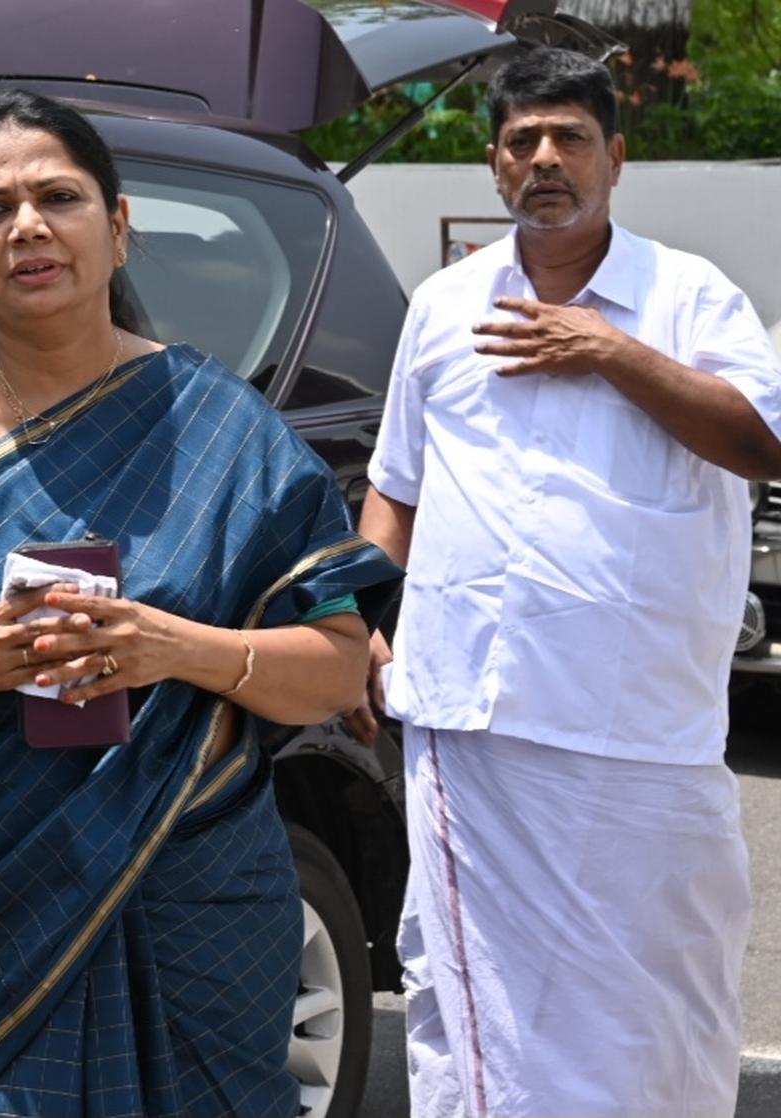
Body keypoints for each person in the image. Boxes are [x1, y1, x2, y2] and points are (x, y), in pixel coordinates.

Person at [0, 90, 400, 1118]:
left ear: (119, 224)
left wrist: (172, 645)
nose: (28, 226)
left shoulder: (226, 426)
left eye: (58, 196)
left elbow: (335, 662)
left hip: (197, 903)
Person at [346, 47, 781, 1118]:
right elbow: (393, 487)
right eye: (523, 141)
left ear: (616, 157)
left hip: (646, 733)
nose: (546, 159)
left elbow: (763, 440)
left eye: (570, 138)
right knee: (476, 1001)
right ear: (495, 165)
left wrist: (610, 350)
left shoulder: (688, 298)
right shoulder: (446, 307)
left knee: (660, 1000)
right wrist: (356, 619)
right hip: (474, 723)